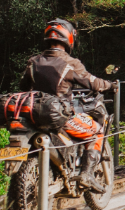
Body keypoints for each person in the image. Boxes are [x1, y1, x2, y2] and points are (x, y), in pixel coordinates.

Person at [18, 19, 114, 193]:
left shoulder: (33, 62)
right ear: (69, 38)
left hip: (33, 116)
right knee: (97, 131)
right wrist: (110, 85)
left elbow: (23, 87)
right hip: (61, 117)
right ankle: (86, 175)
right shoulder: (70, 63)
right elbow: (93, 83)